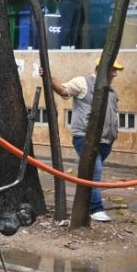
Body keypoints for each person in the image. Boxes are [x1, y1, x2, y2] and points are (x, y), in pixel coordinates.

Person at [51, 58, 122, 222]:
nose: (115, 74)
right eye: (113, 70)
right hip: (86, 138)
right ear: (103, 68)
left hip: (106, 141)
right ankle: (96, 209)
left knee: (89, 174)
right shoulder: (83, 83)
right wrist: (48, 77)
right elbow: (63, 90)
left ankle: (83, 205)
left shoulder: (111, 91)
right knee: (93, 174)